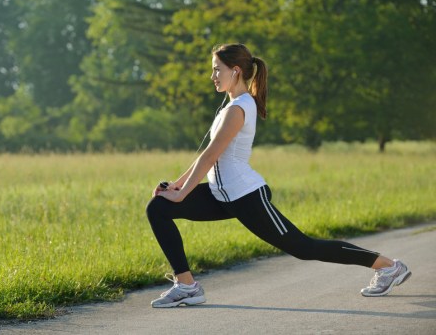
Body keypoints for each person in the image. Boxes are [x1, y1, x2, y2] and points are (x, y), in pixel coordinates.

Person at [145, 43, 411, 308]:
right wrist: (176, 187)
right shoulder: (231, 107)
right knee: (158, 208)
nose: (212, 76)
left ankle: (389, 266)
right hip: (221, 195)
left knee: (304, 248)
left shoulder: (239, 108)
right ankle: (187, 285)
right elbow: (206, 155)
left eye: (217, 70)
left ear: (235, 71)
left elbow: (210, 156)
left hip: (247, 196)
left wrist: (182, 194)